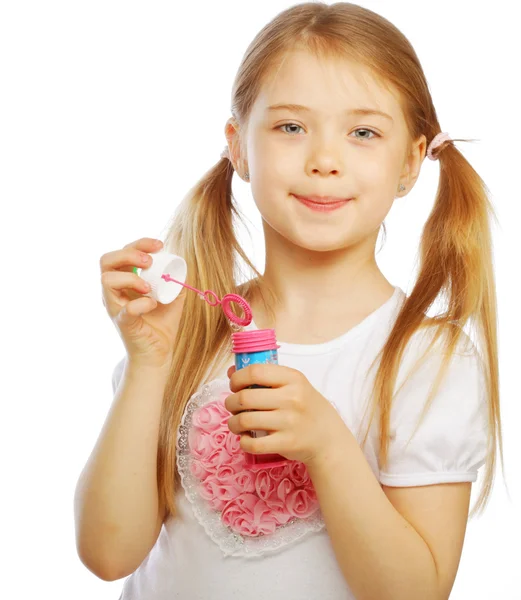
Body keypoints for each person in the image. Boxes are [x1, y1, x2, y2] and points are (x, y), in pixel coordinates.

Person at [74, 3, 503, 599]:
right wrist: (148, 365)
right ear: (238, 146)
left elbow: (415, 593)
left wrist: (329, 446)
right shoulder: (187, 336)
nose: (324, 160)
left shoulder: (426, 359)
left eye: (363, 132)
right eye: (291, 127)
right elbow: (107, 553)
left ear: (411, 161)